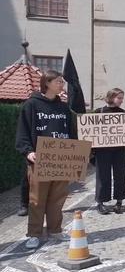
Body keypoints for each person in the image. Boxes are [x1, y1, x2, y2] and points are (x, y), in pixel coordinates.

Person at [15, 70, 76, 249]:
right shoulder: (31, 105)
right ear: (47, 83)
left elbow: (71, 133)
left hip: (62, 160)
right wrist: (27, 151)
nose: (62, 85)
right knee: (37, 199)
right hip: (39, 160)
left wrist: (76, 154)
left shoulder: (64, 108)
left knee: (58, 198)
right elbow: (23, 131)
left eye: (62, 82)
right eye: (58, 82)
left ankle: (55, 230)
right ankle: (34, 233)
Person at [94, 88, 125, 215]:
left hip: (120, 150)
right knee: (103, 176)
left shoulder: (124, 113)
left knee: (120, 176)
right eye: (119, 98)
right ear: (111, 97)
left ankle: (119, 201)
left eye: (122, 98)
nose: (121, 100)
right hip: (103, 150)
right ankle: (100, 202)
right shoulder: (99, 112)